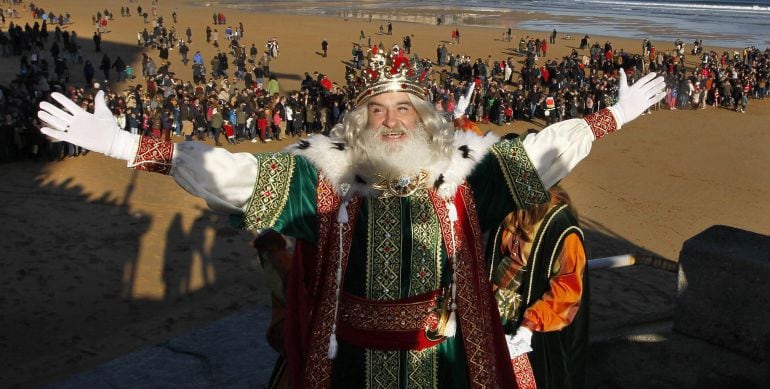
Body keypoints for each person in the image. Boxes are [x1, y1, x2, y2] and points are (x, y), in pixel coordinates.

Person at [38, 49, 664, 387]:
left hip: (448, 365)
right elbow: (236, 178)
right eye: (378, 107)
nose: (392, 118)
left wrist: (613, 118)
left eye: (404, 106)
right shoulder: (323, 176)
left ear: (427, 116)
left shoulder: (471, 171)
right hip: (351, 367)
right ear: (358, 120)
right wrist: (131, 147)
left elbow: (544, 153)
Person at [486, 182, 588, 388]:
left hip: (535, 326)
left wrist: (528, 327)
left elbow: (567, 291)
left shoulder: (562, 229)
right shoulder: (506, 207)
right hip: (499, 315)